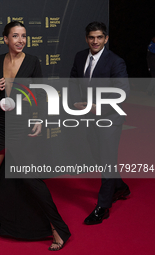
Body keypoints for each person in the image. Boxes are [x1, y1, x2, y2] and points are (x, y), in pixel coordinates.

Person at [0, 21, 70, 251]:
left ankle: (56, 227)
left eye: (24, 36)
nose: (20, 40)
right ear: (5, 39)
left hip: (23, 123)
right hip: (2, 122)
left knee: (29, 178)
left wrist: (38, 119)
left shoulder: (32, 61)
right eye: (15, 36)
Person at [69, 21, 131, 225]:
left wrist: (100, 107)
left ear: (106, 38)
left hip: (110, 118)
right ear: (87, 38)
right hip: (89, 117)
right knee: (98, 155)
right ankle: (120, 187)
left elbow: (122, 92)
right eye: (91, 37)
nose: (95, 41)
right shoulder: (80, 56)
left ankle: (103, 207)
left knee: (106, 159)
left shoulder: (115, 61)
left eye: (99, 37)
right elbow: (74, 80)